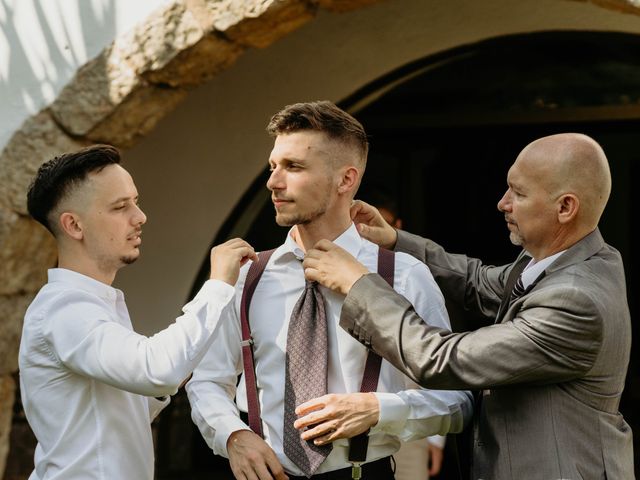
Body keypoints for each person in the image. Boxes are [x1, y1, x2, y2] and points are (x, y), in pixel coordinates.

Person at [303, 133, 634, 479]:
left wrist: (359, 285)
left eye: (518, 194)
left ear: (565, 208)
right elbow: (476, 281)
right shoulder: (571, 258)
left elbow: (439, 358)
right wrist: (395, 240)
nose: (502, 203)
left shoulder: (576, 300)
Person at [186, 101, 472, 480]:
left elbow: (456, 401)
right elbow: (207, 379)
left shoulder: (402, 275)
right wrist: (233, 434)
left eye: (294, 167)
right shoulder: (246, 276)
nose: (273, 182)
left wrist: (377, 409)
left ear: (346, 180)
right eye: (274, 166)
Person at [20, 145, 256, 480]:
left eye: (135, 201)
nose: (140, 216)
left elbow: (114, 420)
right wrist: (218, 284)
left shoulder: (96, 304)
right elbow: (156, 369)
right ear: (74, 225)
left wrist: (175, 373)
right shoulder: (64, 308)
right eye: (120, 207)